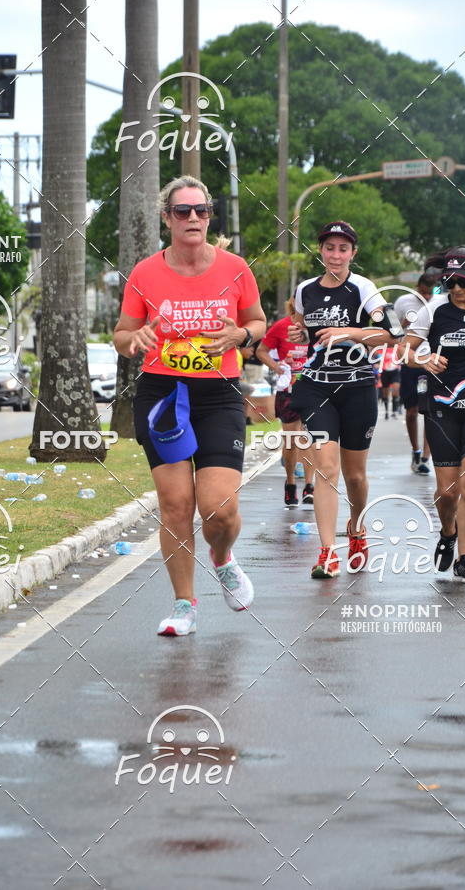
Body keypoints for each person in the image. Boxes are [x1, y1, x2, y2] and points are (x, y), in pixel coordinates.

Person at [113, 175, 266, 634]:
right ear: (167, 219)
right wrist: (134, 339)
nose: (194, 218)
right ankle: (184, 605)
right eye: (183, 211)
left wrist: (240, 335)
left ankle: (222, 558)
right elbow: (122, 335)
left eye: (201, 210)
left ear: (209, 216)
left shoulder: (236, 268)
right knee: (176, 504)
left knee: (218, 507)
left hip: (218, 394)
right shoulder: (145, 273)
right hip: (162, 393)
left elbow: (257, 322)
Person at [288, 220, 401, 578]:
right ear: (320, 250)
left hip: (357, 387)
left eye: (343, 248)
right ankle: (326, 552)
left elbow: (392, 334)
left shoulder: (363, 288)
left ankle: (356, 528)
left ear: (353, 253)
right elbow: (300, 327)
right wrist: (297, 330)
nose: (335, 255)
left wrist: (348, 332)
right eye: (329, 247)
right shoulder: (305, 289)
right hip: (317, 386)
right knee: (326, 466)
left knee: (355, 475)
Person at [404, 248, 465, 583]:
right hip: (442, 405)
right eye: (450, 282)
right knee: (448, 491)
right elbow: (404, 350)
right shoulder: (434, 310)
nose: (457, 288)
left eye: (463, 281)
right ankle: (447, 533)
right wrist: (423, 361)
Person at [256, 298, 315, 507]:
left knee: (308, 436)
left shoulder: (318, 326)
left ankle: (309, 486)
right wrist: (277, 367)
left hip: (312, 387)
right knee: (292, 439)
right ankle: (290, 483)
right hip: (288, 388)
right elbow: (261, 351)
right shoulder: (281, 327)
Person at [394, 272, 437, 474]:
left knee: (430, 411)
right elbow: (391, 330)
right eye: (423, 292)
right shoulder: (404, 301)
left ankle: (425, 458)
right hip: (410, 361)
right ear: (417, 287)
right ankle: (416, 451)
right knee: (411, 411)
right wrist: (403, 324)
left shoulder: (439, 303)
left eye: (430, 293)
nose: (427, 296)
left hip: (432, 362)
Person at [380, 346, 401, 419]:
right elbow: (375, 356)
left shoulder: (398, 347)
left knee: (396, 390)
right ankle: (386, 412)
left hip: (395, 371)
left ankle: (394, 411)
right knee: (385, 393)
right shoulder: (383, 348)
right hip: (385, 371)